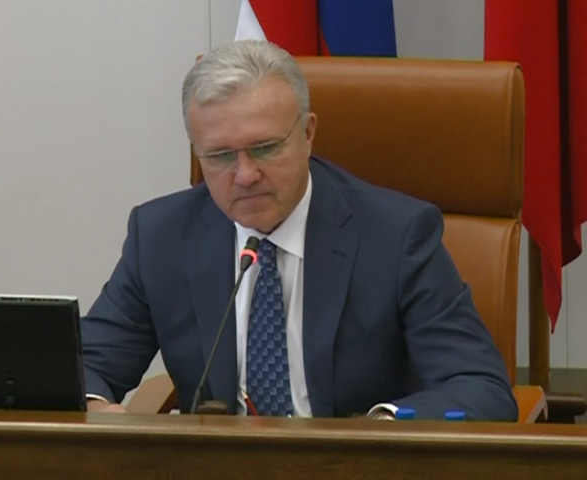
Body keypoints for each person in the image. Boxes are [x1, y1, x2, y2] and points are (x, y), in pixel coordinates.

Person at [81, 39, 518, 421]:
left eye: (264, 148)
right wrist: (94, 405)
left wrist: (382, 428)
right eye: (220, 156)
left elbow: (479, 386)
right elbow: (85, 365)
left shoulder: (398, 236)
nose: (245, 175)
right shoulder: (160, 237)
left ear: (307, 134)